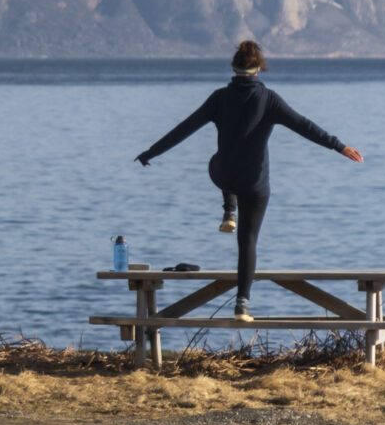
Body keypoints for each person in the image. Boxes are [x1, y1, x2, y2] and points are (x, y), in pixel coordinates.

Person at [135, 40, 363, 321]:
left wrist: (150, 153)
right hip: (255, 184)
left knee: (216, 162)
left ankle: (229, 209)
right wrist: (339, 146)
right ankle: (242, 304)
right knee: (248, 242)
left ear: (234, 67)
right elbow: (305, 126)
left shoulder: (219, 98)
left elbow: (185, 128)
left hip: (225, 175)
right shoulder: (269, 99)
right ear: (259, 69)